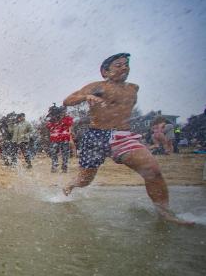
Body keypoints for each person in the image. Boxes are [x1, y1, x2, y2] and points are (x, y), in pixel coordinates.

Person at [62, 53, 192, 224]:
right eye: (118, 65)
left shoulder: (133, 88)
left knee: (152, 170)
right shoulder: (97, 86)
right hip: (95, 136)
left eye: (126, 64)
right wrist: (86, 97)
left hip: (122, 136)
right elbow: (68, 100)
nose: (124, 67)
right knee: (85, 180)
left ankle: (164, 212)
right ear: (105, 72)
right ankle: (70, 185)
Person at [45, 105, 73, 172]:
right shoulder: (51, 119)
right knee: (53, 152)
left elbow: (69, 123)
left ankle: (64, 166)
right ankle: (54, 165)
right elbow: (48, 126)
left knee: (65, 153)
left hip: (64, 138)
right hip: (54, 138)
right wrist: (52, 120)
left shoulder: (67, 118)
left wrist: (61, 119)